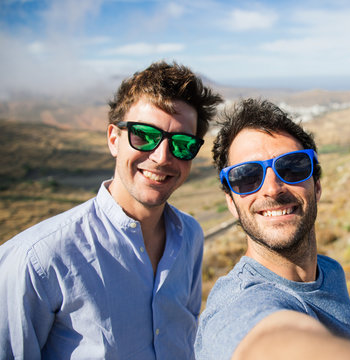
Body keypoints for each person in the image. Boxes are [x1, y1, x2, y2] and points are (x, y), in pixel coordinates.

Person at [0, 61, 222, 359]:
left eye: (182, 143)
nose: (161, 157)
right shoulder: (37, 260)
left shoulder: (190, 236)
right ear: (113, 139)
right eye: (144, 135)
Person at [195, 98, 350, 360]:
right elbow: (264, 340)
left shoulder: (330, 271)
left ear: (317, 186)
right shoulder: (236, 304)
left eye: (292, 167)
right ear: (231, 203)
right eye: (246, 176)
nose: (272, 188)